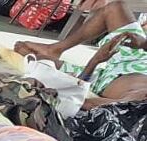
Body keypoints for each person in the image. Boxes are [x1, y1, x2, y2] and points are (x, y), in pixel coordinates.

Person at [15, 1, 147, 107]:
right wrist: (143, 44)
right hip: (139, 57)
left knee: (29, 56)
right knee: (115, 8)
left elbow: (80, 101)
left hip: (105, 80)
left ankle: (51, 54)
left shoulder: (136, 103)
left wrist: (95, 61)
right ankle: (56, 49)